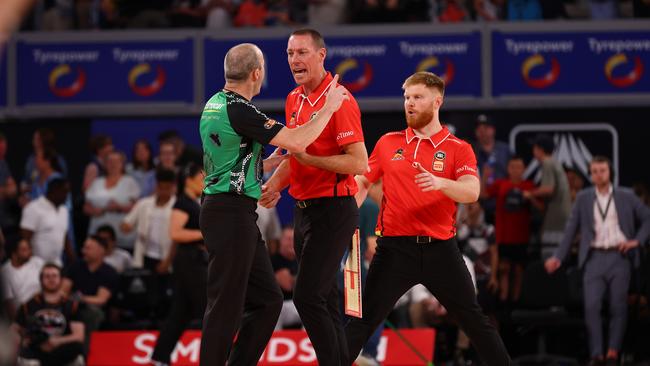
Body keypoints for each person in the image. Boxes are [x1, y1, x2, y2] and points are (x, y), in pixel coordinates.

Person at [198, 42, 349, 366]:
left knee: (267, 301)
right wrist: (329, 107)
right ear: (257, 74)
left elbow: (224, 158)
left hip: (230, 211)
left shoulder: (214, 103)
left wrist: (262, 165)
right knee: (225, 306)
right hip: (230, 214)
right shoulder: (241, 110)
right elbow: (297, 141)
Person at [345, 71, 511, 366]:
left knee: (474, 321)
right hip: (394, 249)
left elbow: (472, 191)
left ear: (437, 101)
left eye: (417, 97)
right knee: (363, 321)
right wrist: (343, 214)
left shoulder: (458, 148)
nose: (409, 103)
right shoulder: (388, 142)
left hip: (440, 250)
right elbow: (363, 182)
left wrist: (441, 183)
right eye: (407, 97)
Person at [260, 28, 367, 365]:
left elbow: (358, 162)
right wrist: (275, 185)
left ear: (321, 55)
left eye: (302, 53)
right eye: (290, 54)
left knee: (307, 297)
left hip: (334, 210)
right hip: (303, 211)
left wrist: (309, 159)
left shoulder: (341, 100)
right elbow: (294, 157)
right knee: (325, 299)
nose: (295, 60)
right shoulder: (294, 98)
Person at [545, 156, 650, 366]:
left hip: (619, 256)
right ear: (590, 174)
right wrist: (558, 257)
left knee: (618, 306)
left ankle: (612, 353)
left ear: (610, 172)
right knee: (591, 306)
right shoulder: (584, 198)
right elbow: (570, 230)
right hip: (593, 257)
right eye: (594, 171)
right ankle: (596, 355)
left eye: (602, 170)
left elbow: (648, 217)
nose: (598, 174)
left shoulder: (626, 196)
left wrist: (636, 241)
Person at [150, 163, 206, 366]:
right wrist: (206, 233)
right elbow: (175, 233)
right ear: (188, 180)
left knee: (181, 312)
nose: (205, 181)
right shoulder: (183, 203)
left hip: (191, 259)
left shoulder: (195, 202)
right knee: (209, 309)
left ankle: (159, 358)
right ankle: (217, 358)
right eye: (201, 178)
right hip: (190, 262)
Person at [481, 155, 541, 303]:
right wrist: (484, 177)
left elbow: (541, 208)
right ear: (508, 169)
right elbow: (483, 195)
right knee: (504, 270)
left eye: (519, 167)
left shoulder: (529, 186)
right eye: (512, 167)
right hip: (503, 237)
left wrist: (530, 197)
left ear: (524, 169)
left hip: (521, 237)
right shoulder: (501, 184)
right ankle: (503, 303)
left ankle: (516, 303)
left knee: (519, 271)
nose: (515, 170)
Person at [12, 263, 84, 366]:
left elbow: (79, 336)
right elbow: (14, 329)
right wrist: (21, 340)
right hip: (37, 348)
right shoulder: (28, 305)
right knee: (24, 353)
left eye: (54, 276)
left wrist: (57, 341)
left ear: (61, 279)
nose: (51, 279)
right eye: (47, 276)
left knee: (77, 350)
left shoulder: (72, 305)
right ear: (41, 280)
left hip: (61, 349)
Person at [62, 235, 118, 347]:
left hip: (92, 309)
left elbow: (101, 299)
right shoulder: (75, 266)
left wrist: (80, 298)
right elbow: (63, 290)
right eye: (84, 247)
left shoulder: (109, 272)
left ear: (101, 250)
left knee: (92, 313)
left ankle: (84, 351)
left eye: (88, 248)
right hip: (71, 305)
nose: (84, 251)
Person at [524, 134, 571, 259]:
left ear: (539, 149)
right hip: (559, 215)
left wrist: (529, 193)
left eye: (534, 148)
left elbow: (548, 189)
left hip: (557, 220)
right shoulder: (554, 163)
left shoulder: (547, 163)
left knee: (552, 258)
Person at [121, 168, 177, 272]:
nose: (164, 191)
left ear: (173, 187)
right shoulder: (144, 203)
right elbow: (126, 224)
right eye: (161, 187)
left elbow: (178, 238)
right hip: (145, 255)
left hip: (169, 256)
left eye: (167, 188)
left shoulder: (178, 206)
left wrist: (168, 261)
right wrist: (128, 227)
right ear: (156, 186)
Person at [84, 150, 140, 251]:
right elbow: (86, 207)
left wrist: (119, 207)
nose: (113, 165)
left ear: (122, 164)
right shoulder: (97, 182)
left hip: (122, 236)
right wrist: (96, 210)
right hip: (98, 235)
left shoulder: (130, 182)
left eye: (116, 161)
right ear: (105, 164)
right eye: (109, 162)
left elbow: (137, 207)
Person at [20, 178, 74, 266]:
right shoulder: (33, 208)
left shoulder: (64, 210)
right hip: (35, 265)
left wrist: (73, 259)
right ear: (54, 191)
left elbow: (64, 236)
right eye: (64, 192)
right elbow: (25, 239)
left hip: (57, 264)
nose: (66, 196)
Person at [2, 239, 44, 320]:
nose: (29, 252)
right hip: (23, 314)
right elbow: (8, 304)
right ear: (14, 254)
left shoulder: (36, 261)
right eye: (24, 249)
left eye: (29, 248)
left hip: (44, 307)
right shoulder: (4, 273)